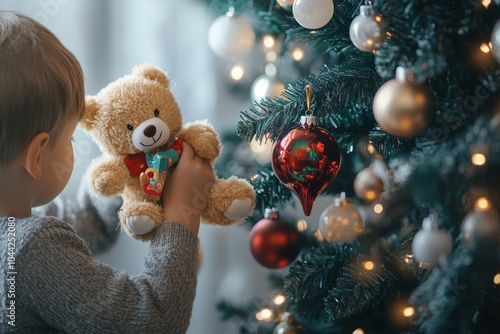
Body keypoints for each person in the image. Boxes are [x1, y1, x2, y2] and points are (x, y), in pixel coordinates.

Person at [0, 11, 215, 333]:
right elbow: (153, 320)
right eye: (70, 137)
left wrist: (132, 178)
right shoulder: (31, 248)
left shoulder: (18, 232)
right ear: (37, 156)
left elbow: (87, 219)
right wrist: (181, 213)